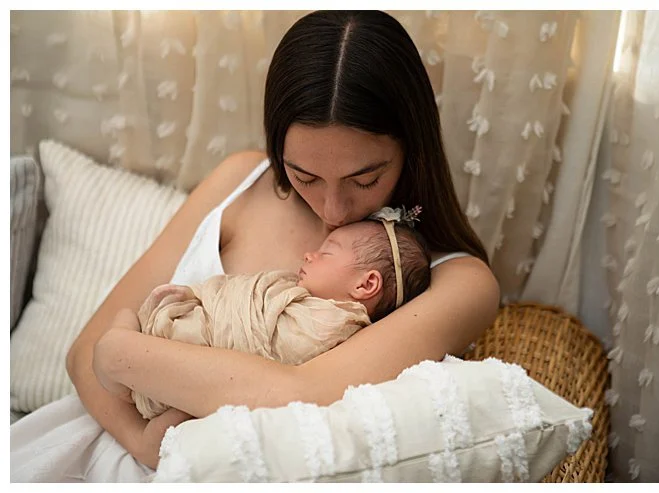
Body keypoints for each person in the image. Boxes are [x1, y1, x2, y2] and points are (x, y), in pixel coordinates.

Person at [11, 10, 499, 482]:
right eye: (304, 175)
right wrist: (142, 441)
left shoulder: (457, 281)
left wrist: (123, 358)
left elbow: (298, 394)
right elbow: (83, 353)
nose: (332, 210)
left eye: (365, 179)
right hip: (107, 442)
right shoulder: (241, 181)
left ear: (412, 148)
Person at [125, 212, 430, 420]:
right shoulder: (295, 294)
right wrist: (207, 297)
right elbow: (243, 294)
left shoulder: (331, 326)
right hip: (179, 347)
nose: (309, 255)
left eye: (326, 253)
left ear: (366, 284)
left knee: (128, 329)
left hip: (192, 360)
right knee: (130, 323)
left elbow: (275, 349)